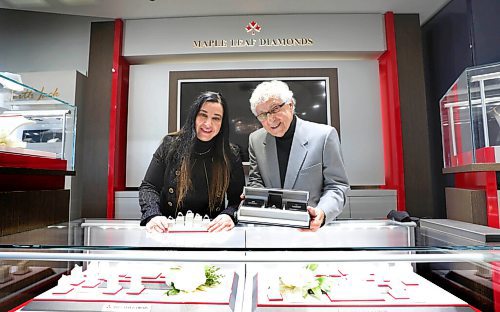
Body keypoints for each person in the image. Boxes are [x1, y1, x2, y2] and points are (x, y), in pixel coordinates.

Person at [248, 80, 349, 232]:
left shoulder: (324, 135)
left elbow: (337, 186)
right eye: (262, 115)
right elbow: (256, 181)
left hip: (311, 229)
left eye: (275, 109)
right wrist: (255, 199)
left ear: (290, 105)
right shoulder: (255, 139)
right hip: (270, 231)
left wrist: (322, 212)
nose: (270, 119)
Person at [139, 91, 245, 233]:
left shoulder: (231, 154)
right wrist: (152, 215)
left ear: (222, 124)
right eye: (203, 115)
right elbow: (149, 187)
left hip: (212, 232)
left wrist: (229, 215)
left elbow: (237, 200)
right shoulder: (170, 145)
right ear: (194, 116)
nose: (208, 123)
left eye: (216, 118)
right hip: (168, 230)